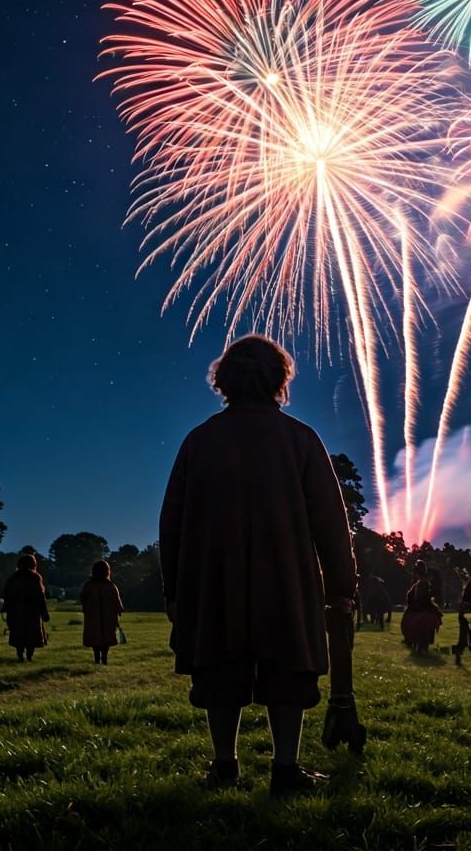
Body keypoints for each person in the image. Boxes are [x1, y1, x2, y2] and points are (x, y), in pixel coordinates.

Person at [158, 335, 357, 797]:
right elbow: (330, 520)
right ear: (279, 380)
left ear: (224, 381)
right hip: (285, 577)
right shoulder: (300, 440)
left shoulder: (199, 441)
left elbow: (172, 521)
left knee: (219, 669)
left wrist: (175, 592)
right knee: (288, 670)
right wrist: (342, 586)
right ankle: (285, 769)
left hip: (212, 580)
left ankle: (224, 765)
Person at [2, 553, 50, 662]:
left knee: (18, 633)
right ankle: (29, 656)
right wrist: (44, 612)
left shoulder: (13, 578)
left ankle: (20, 655)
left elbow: (6, 595)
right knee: (32, 635)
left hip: (16, 612)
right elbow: (40, 596)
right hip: (32, 612)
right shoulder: (35, 577)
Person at [81, 560, 124, 665]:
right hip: (108, 617)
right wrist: (119, 610)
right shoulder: (110, 586)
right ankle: (104, 658)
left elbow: (83, 599)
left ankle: (96, 658)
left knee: (94, 638)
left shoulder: (88, 586)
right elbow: (118, 603)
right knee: (106, 638)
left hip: (92, 618)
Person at [401, 560, 442, 653]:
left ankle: (413, 641)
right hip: (423, 607)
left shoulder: (422, 583)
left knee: (406, 621)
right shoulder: (423, 583)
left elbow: (418, 598)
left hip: (419, 609)